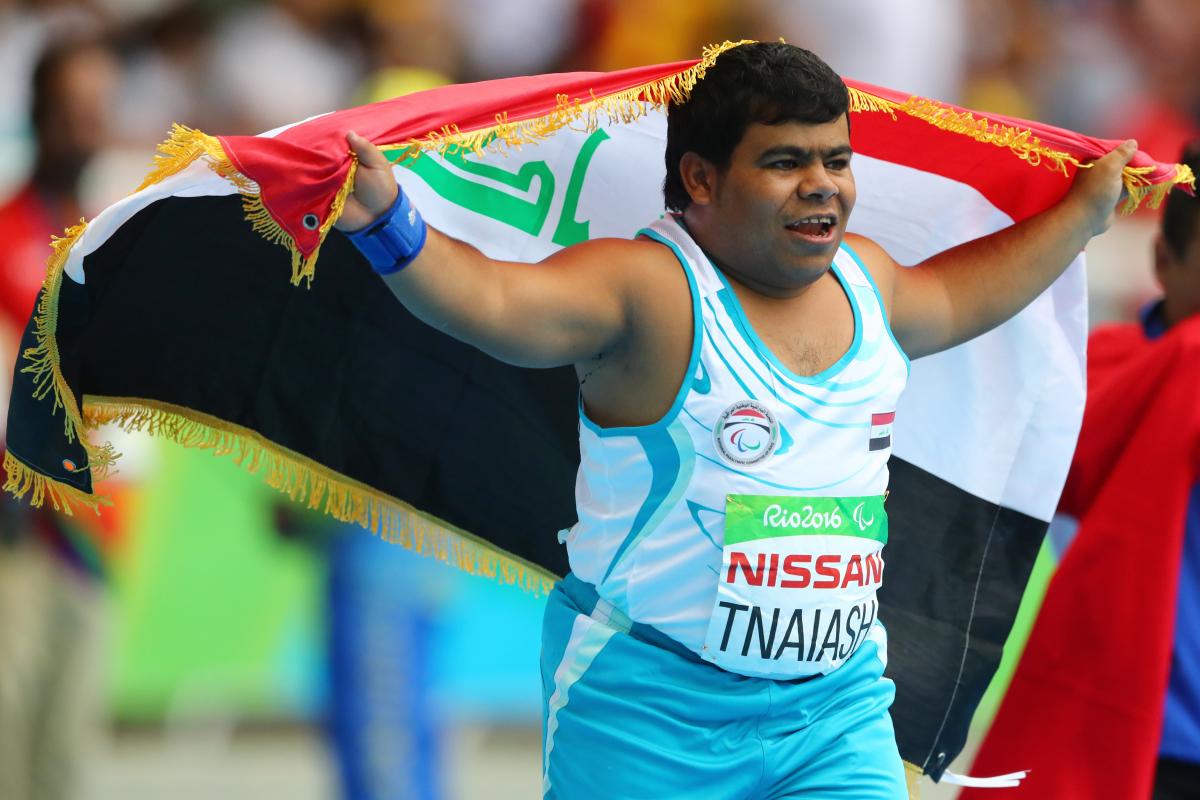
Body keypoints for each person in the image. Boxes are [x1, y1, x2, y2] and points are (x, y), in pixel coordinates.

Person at [334, 42, 1132, 799]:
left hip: (833, 710)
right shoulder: (651, 291)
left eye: (837, 159)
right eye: (785, 162)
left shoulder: (869, 285)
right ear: (702, 179)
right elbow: (495, 302)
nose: (822, 185)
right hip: (647, 713)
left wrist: (1085, 216)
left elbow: (962, 296)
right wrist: (385, 222)